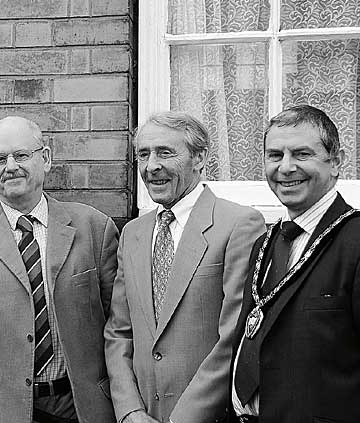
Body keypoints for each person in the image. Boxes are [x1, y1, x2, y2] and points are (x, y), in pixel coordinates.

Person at [0, 116, 119, 423]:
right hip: (0, 412)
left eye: (21, 155)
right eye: (0, 159)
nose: (11, 166)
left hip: (83, 409)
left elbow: (120, 331)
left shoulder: (94, 228)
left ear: (45, 158)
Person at [105, 111, 265, 423]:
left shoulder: (239, 225)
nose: (152, 166)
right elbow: (119, 332)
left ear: (200, 158)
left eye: (165, 152)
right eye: (143, 154)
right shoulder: (133, 234)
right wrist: (129, 411)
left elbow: (234, 337)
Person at [229, 105, 360, 423]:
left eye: (301, 154)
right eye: (275, 155)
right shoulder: (266, 242)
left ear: (336, 162)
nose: (285, 168)